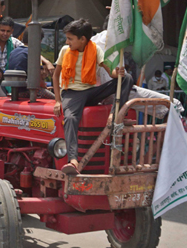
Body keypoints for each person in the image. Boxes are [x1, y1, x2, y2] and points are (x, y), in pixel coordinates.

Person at [53, 18, 133, 175]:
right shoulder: (65, 51)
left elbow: (112, 73)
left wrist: (119, 72)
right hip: (72, 93)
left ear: (82, 39)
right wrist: (57, 100)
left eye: (70, 39)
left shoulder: (95, 50)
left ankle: (115, 114)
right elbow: (55, 76)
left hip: (90, 92)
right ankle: (73, 160)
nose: (67, 42)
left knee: (127, 78)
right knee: (70, 118)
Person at [6, 29, 56, 98]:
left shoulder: (13, 52)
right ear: (39, 41)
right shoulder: (33, 54)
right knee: (56, 100)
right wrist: (44, 86)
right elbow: (38, 78)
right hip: (28, 91)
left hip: (15, 91)